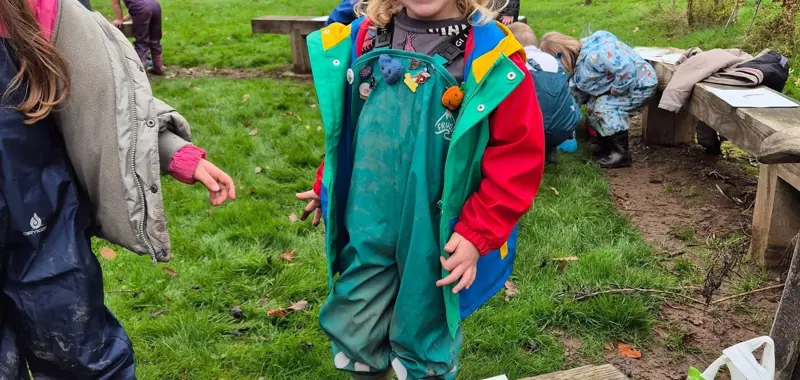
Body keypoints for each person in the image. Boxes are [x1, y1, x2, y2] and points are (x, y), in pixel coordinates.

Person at [296, 0, 545, 377]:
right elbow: (347, 129)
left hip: (435, 225)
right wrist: (326, 184)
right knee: (356, 322)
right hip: (368, 216)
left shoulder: (491, 53)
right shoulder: (365, 35)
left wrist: (479, 231)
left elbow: (517, 156)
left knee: (423, 325)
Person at [0, 0, 235, 377]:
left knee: (80, 354)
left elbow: (108, 91)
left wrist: (172, 151)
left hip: (43, 224)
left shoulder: (39, 8)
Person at [540, 31, 657, 168]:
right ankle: (606, 144)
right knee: (592, 107)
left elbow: (626, 70)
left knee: (605, 108)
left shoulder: (594, 57)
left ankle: (621, 153)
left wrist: (617, 89)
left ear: (562, 56)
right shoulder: (581, 61)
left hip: (639, 85)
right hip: (625, 85)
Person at [508, 22, 581, 164]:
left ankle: (523, 155)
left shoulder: (516, 65)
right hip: (565, 127)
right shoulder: (553, 61)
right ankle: (549, 150)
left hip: (531, 131)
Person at [111, 0, 163, 74]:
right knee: (155, 40)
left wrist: (119, 19)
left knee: (142, 42)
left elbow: (115, 3)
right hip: (155, 5)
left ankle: (140, 74)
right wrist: (125, 18)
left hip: (141, 8)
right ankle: (158, 68)